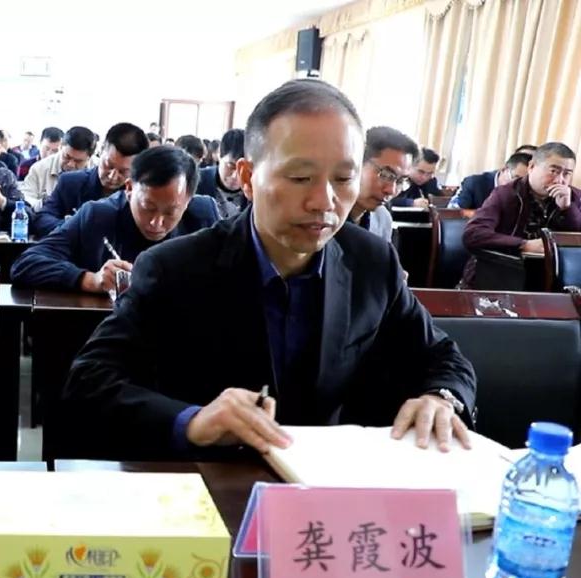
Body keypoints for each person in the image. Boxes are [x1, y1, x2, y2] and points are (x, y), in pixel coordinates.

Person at [63, 79, 476, 461]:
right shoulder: (175, 267)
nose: (324, 202)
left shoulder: (371, 261)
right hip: (213, 485)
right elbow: (89, 382)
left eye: (343, 178)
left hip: (327, 485)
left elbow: (443, 357)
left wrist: (440, 398)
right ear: (247, 177)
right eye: (300, 177)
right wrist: (192, 420)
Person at [11, 146, 219, 292]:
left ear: (188, 200)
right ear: (129, 188)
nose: (156, 223)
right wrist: (91, 280)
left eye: (170, 212)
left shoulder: (203, 216)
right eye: (148, 207)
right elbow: (26, 264)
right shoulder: (97, 215)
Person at [461, 142, 580, 287]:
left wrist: (568, 209)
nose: (560, 180)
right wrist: (524, 245)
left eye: (567, 174)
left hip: (554, 280)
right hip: (503, 273)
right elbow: (473, 234)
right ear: (532, 167)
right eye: (553, 171)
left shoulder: (574, 197)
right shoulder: (505, 194)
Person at [33, 123, 149, 236]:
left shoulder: (141, 196)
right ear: (101, 150)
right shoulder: (70, 182)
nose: (112, 176)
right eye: (108, 165)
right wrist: (73, 227)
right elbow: (43, 218)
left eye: (123, 171)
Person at [348, 126, 418, 242]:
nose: (391, 190)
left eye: (400, 181)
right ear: (357, 163)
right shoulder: (324, 215)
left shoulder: (383, 219)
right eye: (386, 175)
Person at [20, 126, 95, 209]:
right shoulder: (39, 168)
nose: (71, 164)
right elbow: (25, 200)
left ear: (89, 157)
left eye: (78, 161)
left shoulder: (98, 170)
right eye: (67, 157)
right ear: (61, 146)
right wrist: (47, 203)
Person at [450, 152, 531, 210]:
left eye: (524, 181)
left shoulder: (527, 192)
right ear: (504, 169)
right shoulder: (475, 183)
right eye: (516, 178)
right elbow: (455, 215)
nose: (519, 184)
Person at [197, 128, 249, 214]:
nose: (235, 176)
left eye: (243, 169)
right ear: (219, 156)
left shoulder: (255, 192)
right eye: (230, 166)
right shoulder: (197, 182)